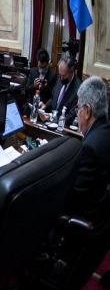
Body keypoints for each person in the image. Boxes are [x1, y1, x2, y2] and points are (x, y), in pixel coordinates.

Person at [66, 76, 110, 222]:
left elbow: (75, 196)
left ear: (87, 111)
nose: (77, 114)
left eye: (78, 108)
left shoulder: (90, 147)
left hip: (86, 218)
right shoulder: (106, 131)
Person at [40, 56, 81, 122]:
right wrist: (45, 106)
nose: (61, 78)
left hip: (63, 125)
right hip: (51, 120)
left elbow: (71, 115)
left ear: (71, 71)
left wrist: (53, 120)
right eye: (60, 75)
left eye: (64, 76)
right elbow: (54, 97)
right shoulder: (60, 78)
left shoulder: (78, 89)